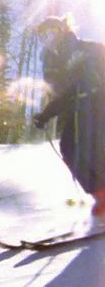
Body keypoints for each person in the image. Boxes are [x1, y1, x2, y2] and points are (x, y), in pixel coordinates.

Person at [33, 15, 105, 217]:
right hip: (80, 108)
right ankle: (101, 194)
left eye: (51, 33)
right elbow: (65, 95)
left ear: (63, 30)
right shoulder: (59, 62)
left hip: (99, 104)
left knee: (94, 144)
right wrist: (46, 114)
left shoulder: (88, 48)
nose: (48, 39)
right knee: (68, 147)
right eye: (43, 36)